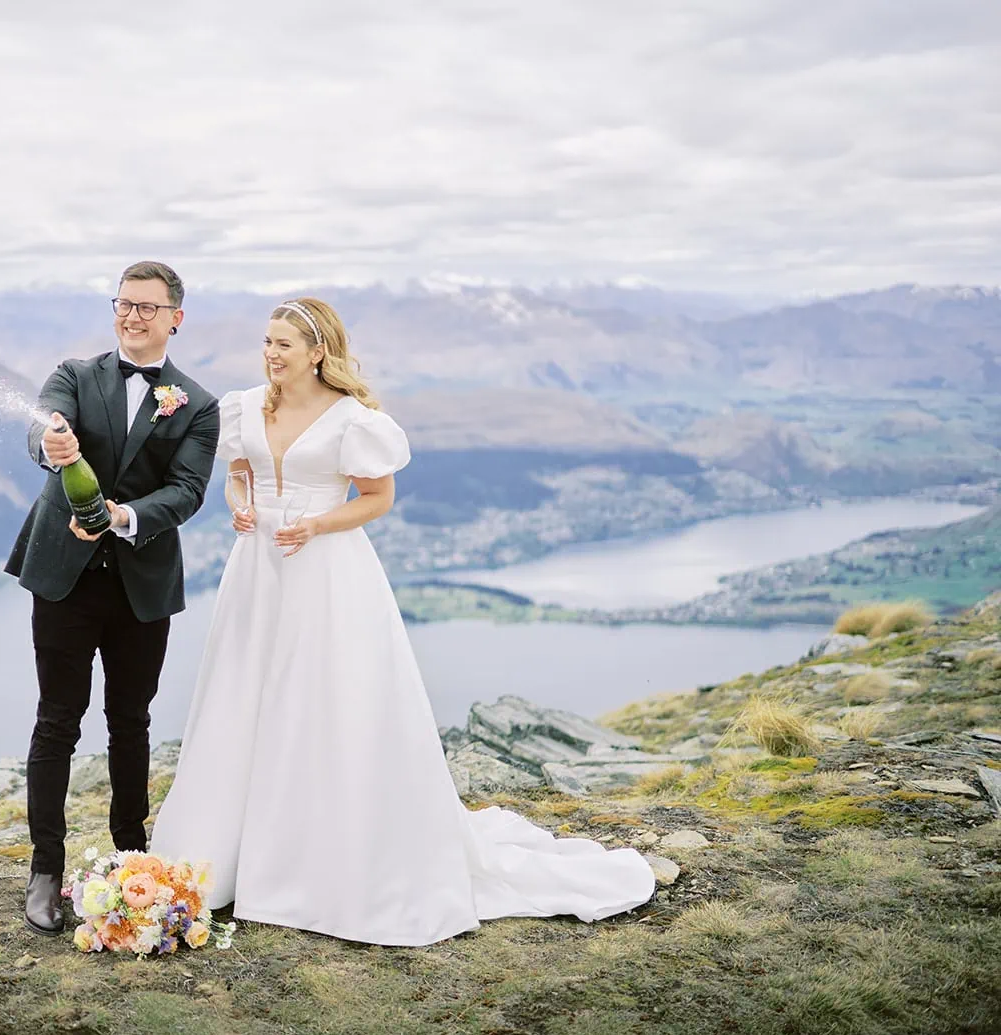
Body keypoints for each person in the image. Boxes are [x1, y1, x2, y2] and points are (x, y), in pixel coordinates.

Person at [149, 297, 656, 946]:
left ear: (317, 353)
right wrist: (242, 505)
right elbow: (239, 476)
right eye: (267, 342)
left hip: (326, 571)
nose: (271, 354)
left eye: (283, 344)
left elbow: (377, 498)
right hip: (257, 573)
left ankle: (317, 861)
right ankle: (238, 852)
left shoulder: (352, 421)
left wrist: (316, 523)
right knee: (244, 697)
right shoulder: (247, 406)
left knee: (324, 703)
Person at [4, 260, 220, 935]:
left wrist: (121, 517)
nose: (133, 316)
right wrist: (51, 441)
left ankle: (134, 857)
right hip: (64, 581)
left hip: (140, 585)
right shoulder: (74, 374)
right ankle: (45, 871)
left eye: (148, 307)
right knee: (56, 721)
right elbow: (40, 432)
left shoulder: (197, 404)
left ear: (175, 318)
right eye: (124, 304)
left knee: (131, 721)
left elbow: (185, 492)